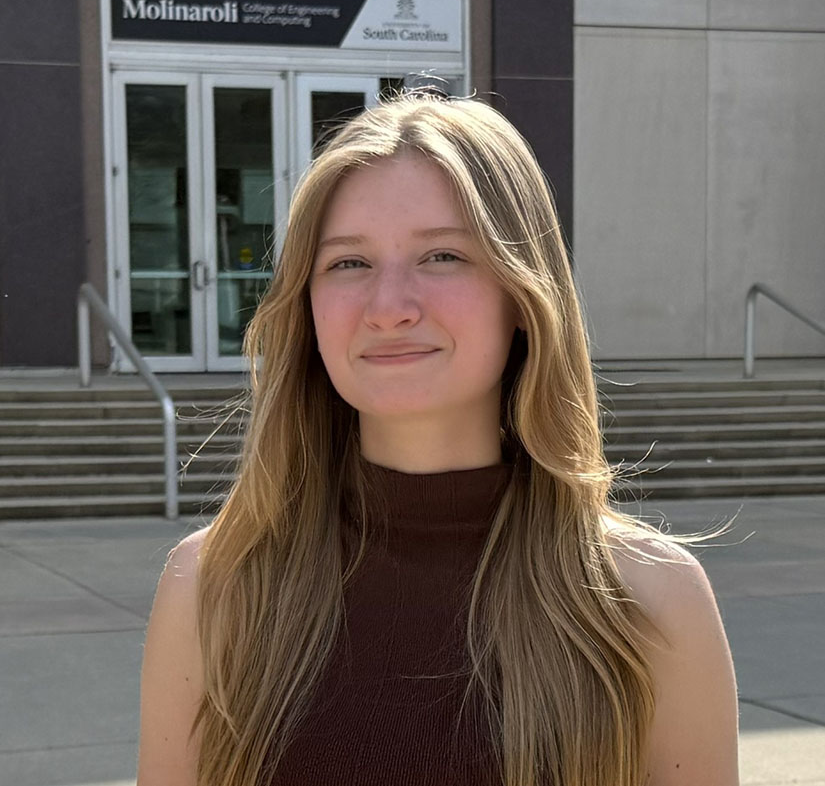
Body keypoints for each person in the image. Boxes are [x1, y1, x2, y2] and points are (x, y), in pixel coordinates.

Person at [137, 91, 739, 786]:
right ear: (306, 305)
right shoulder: (214, 588)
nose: (389, 307)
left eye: (443, 255)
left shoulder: (649, 598)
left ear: (524, 295)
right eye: (348, 263)